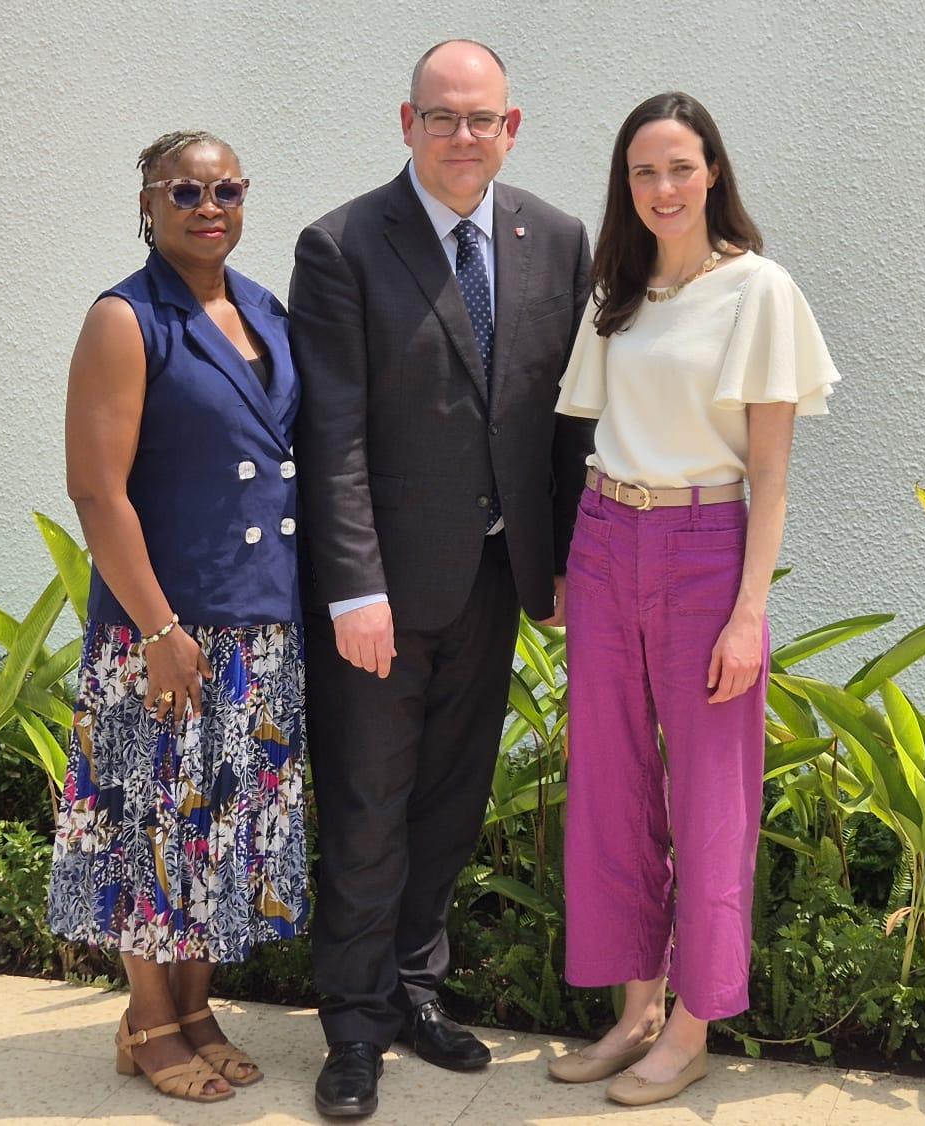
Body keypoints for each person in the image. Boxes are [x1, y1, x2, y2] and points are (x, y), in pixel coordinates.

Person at [289, 39, 596, 1119]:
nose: (461, 136)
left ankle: (414, 990)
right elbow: (330, 437)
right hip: (379, 596)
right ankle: (353, 1025)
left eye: (481, 119)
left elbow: (566, 418)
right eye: (441, 116)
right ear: (405, 121)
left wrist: (552, 564)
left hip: (491, 579)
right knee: (368, 808)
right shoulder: (340, 245)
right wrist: (352, 587)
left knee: (449, 802)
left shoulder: (556, 240)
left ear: (511, 127)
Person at [545, 92, 843, 1106]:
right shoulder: (616, 294)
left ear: (712, 170)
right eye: (642, 172)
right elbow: (581, 431)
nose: (662, 189)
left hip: (704, 546)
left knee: (707, 795)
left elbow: (771, 475)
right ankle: (633, 1007)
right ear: (623, 187)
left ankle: (690, 1022)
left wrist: (748, 611)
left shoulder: (757, 290)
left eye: (679, 167)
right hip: (602, 538)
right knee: (610, 784)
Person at [45, 129, 308, 1105]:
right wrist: (158, 629)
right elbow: (95, 491)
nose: (209, 204)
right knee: (150, 823)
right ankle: (148, 1020)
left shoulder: (264, 313)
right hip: (163, 626)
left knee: (220, 830)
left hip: (258, 625)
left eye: (226, 188)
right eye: (185, 189)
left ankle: (195, 1008)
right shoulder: (124, 317)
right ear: (148, 204)